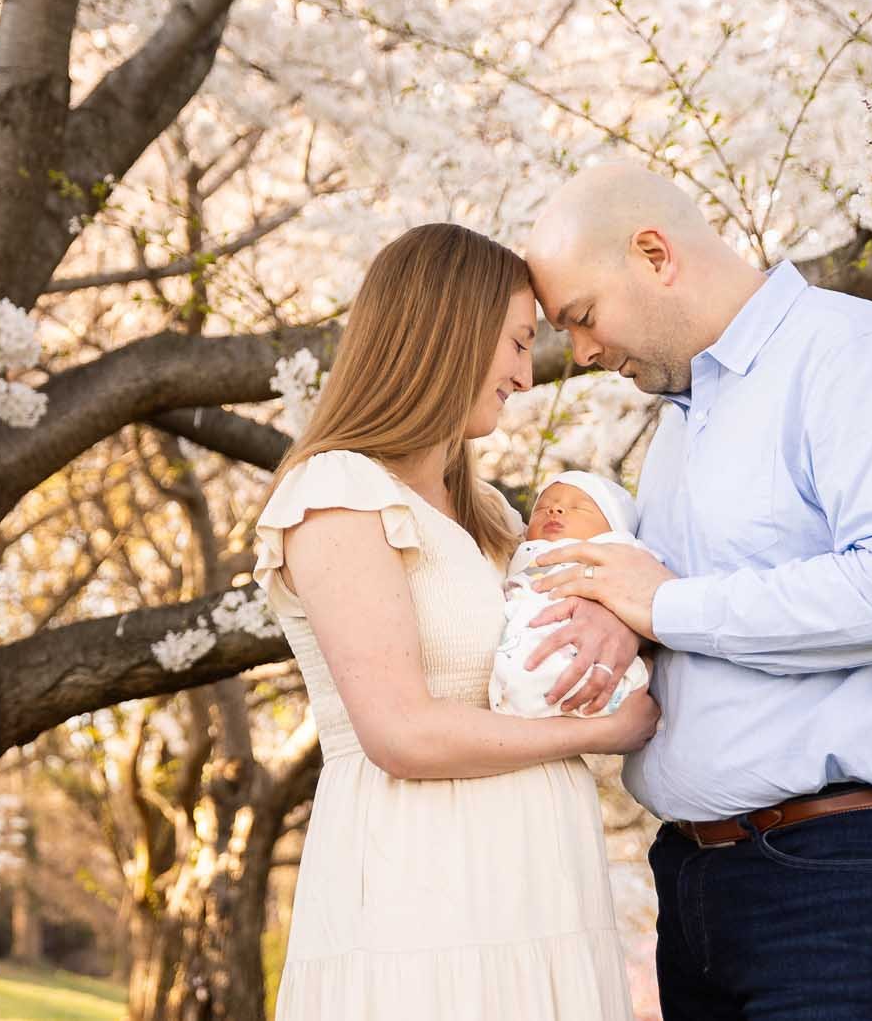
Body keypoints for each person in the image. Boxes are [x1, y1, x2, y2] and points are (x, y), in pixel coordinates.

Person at [524, 163, 872, 1021]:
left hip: (864, 867)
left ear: (654, 253)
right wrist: (624, 621)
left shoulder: (858, 357)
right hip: (703, 883)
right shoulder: (684, 425)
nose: (584, 353)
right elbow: (699, 603)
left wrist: (667, 607)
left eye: (582, 316)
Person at [255, 223, 654, 1020]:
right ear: (447, 332)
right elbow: (400, 732)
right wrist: (596, 732)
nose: (524, 374)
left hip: (544, 890)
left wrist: (626, 629)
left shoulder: (497, 520)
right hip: (426, 885)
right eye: (514, 343)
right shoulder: (338, 490)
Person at [491, 473, 653, 720]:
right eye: (543, 507)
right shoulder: (518, 552)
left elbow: (649, 592)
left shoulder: (621, 551)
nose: (554, 510)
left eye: (578, 508)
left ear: (614, 526)